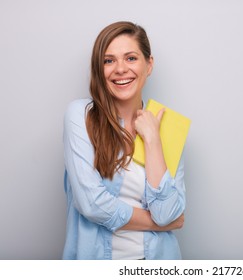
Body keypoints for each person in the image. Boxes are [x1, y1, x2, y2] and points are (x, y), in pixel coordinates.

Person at [62, 21, 186, 260]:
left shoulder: (169, 128)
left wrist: (152, 140)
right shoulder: (80, 116)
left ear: (149, 65)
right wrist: (160, 224)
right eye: (108, 61)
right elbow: (92, 205)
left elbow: (168, 212)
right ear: (100, 69)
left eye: (131, 58)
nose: (120, 69)